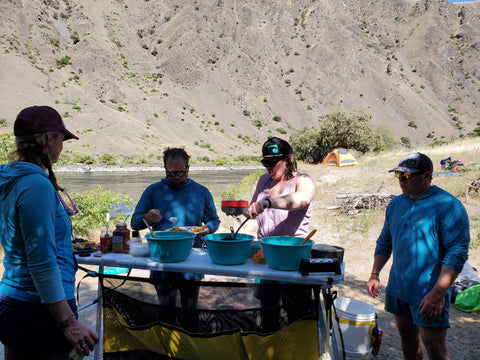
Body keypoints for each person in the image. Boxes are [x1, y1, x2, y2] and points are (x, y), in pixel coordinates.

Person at [0, 106, 99, 359]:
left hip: (16, 301)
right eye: (62, 139)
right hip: (41, 309)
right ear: (49, 139)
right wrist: (69, 323)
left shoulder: (11, 177)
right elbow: (42, 262)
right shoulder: (34, 185)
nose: (63, 147)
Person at [367, 152, 470, 360]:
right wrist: (375, 273)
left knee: (434, 346)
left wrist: (439, 293)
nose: (402, 181)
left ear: (428, 176)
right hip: (399, 287)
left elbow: (457, 252)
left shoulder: (448, 206)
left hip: (428, 291)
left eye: (408, 176)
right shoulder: (396, 204)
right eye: (399, 175)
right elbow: (385, 241)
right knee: (407, 338)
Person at [131, 147, 220, 327]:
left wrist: (208, 229)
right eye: (171, 174)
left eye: (181, 172)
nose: (177, 177)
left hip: (192, 260)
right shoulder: (153, 191)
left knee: (190, 310)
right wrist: (147, 218)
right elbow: (135, 222)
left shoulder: (201, 192)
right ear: (165, 169)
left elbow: (213, 220)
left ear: (188, 168)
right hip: (163, 260)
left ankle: (190, 348)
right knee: (165, 312)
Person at [247, 137, 316, 331]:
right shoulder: (263, 180)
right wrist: (242, 211)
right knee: (267, 310)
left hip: (292, 257)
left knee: (297, 314)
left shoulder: (302, 181)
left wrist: (269, 202)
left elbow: (300, 200)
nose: (268, 166)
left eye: (272, 162)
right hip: (263, 254)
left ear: (287, 159)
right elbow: (253, 209)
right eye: (265, 162)